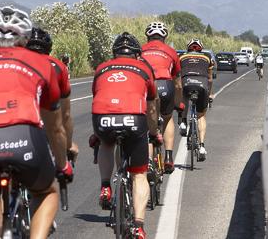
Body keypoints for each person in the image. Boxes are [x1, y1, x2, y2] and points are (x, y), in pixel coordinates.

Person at [0, 6, 72, 239]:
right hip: (25, 137)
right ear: (26, 38)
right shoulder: (42, 63)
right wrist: (62, 165)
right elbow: (55, 127)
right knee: (48, 192)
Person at [92, 32, 159, 239]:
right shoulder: (144, 69)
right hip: (133, 118)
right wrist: (154, 133)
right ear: (138, 54)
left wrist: (97, 134)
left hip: (102, 117)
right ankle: (138, 226)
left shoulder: (101, 68)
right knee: (139, 174)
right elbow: (151, 108)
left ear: (115, 53)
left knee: (105, 144)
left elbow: (98, 96)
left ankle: (105, 186)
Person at [26, 27, 79, 159]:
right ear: (48, 48)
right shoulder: (58, 66)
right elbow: (65, 115)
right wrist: (68, 145)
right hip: (45, 124)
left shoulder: (14, 61)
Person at [140, 21, 182, 173]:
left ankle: (149, 163)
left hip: (147, 85)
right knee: (168, 118)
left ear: (147, 37)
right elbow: (178, 84)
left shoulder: (140, 50)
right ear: (164, 37)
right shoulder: (171, 51)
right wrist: (178, 103)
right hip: (166, 85)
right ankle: (169, 158)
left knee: (147, 125)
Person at [178, 39, 214, 161]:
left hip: (186, 83)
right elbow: (209, 79)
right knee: (201, 116)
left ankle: (183, 121)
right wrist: (210, 94)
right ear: (201, 48)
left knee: (184, 96)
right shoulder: (207, 57)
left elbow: (177, 75)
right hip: (202, 85)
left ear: (188, 48)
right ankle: (202, 146)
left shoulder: (181, 57)